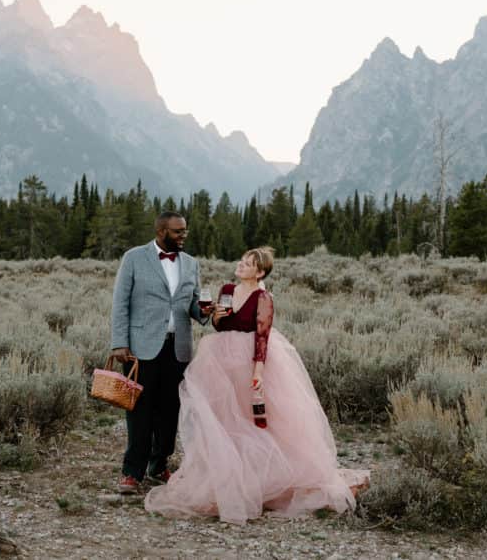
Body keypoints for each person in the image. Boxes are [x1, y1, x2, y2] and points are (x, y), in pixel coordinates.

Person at [145, 247, 369, 524]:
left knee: (255, 420)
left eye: (248, 264)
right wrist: (215, 315)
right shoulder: (227, 288)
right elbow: (219, 325)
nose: (240, 265)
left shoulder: (263, 297)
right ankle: (229, 475)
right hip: (220, 360)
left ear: (260, 272)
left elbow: (262, 336)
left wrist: (259, 372)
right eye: (241, 260)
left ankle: (265, 481)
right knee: (226, 419)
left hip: (250, 359)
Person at [110, 211, 211, 494]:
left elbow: (192, 304)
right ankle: (132, 472)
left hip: (178, 348)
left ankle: (159, 464)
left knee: (170, 410)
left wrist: (204, 312)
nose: (183, 236)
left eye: (185, 231)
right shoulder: (133, 258)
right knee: (139, 410)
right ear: (161, 232)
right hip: (140, 347)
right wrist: (119, 342)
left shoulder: (191, 263)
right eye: (178, 232)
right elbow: (120, 303)